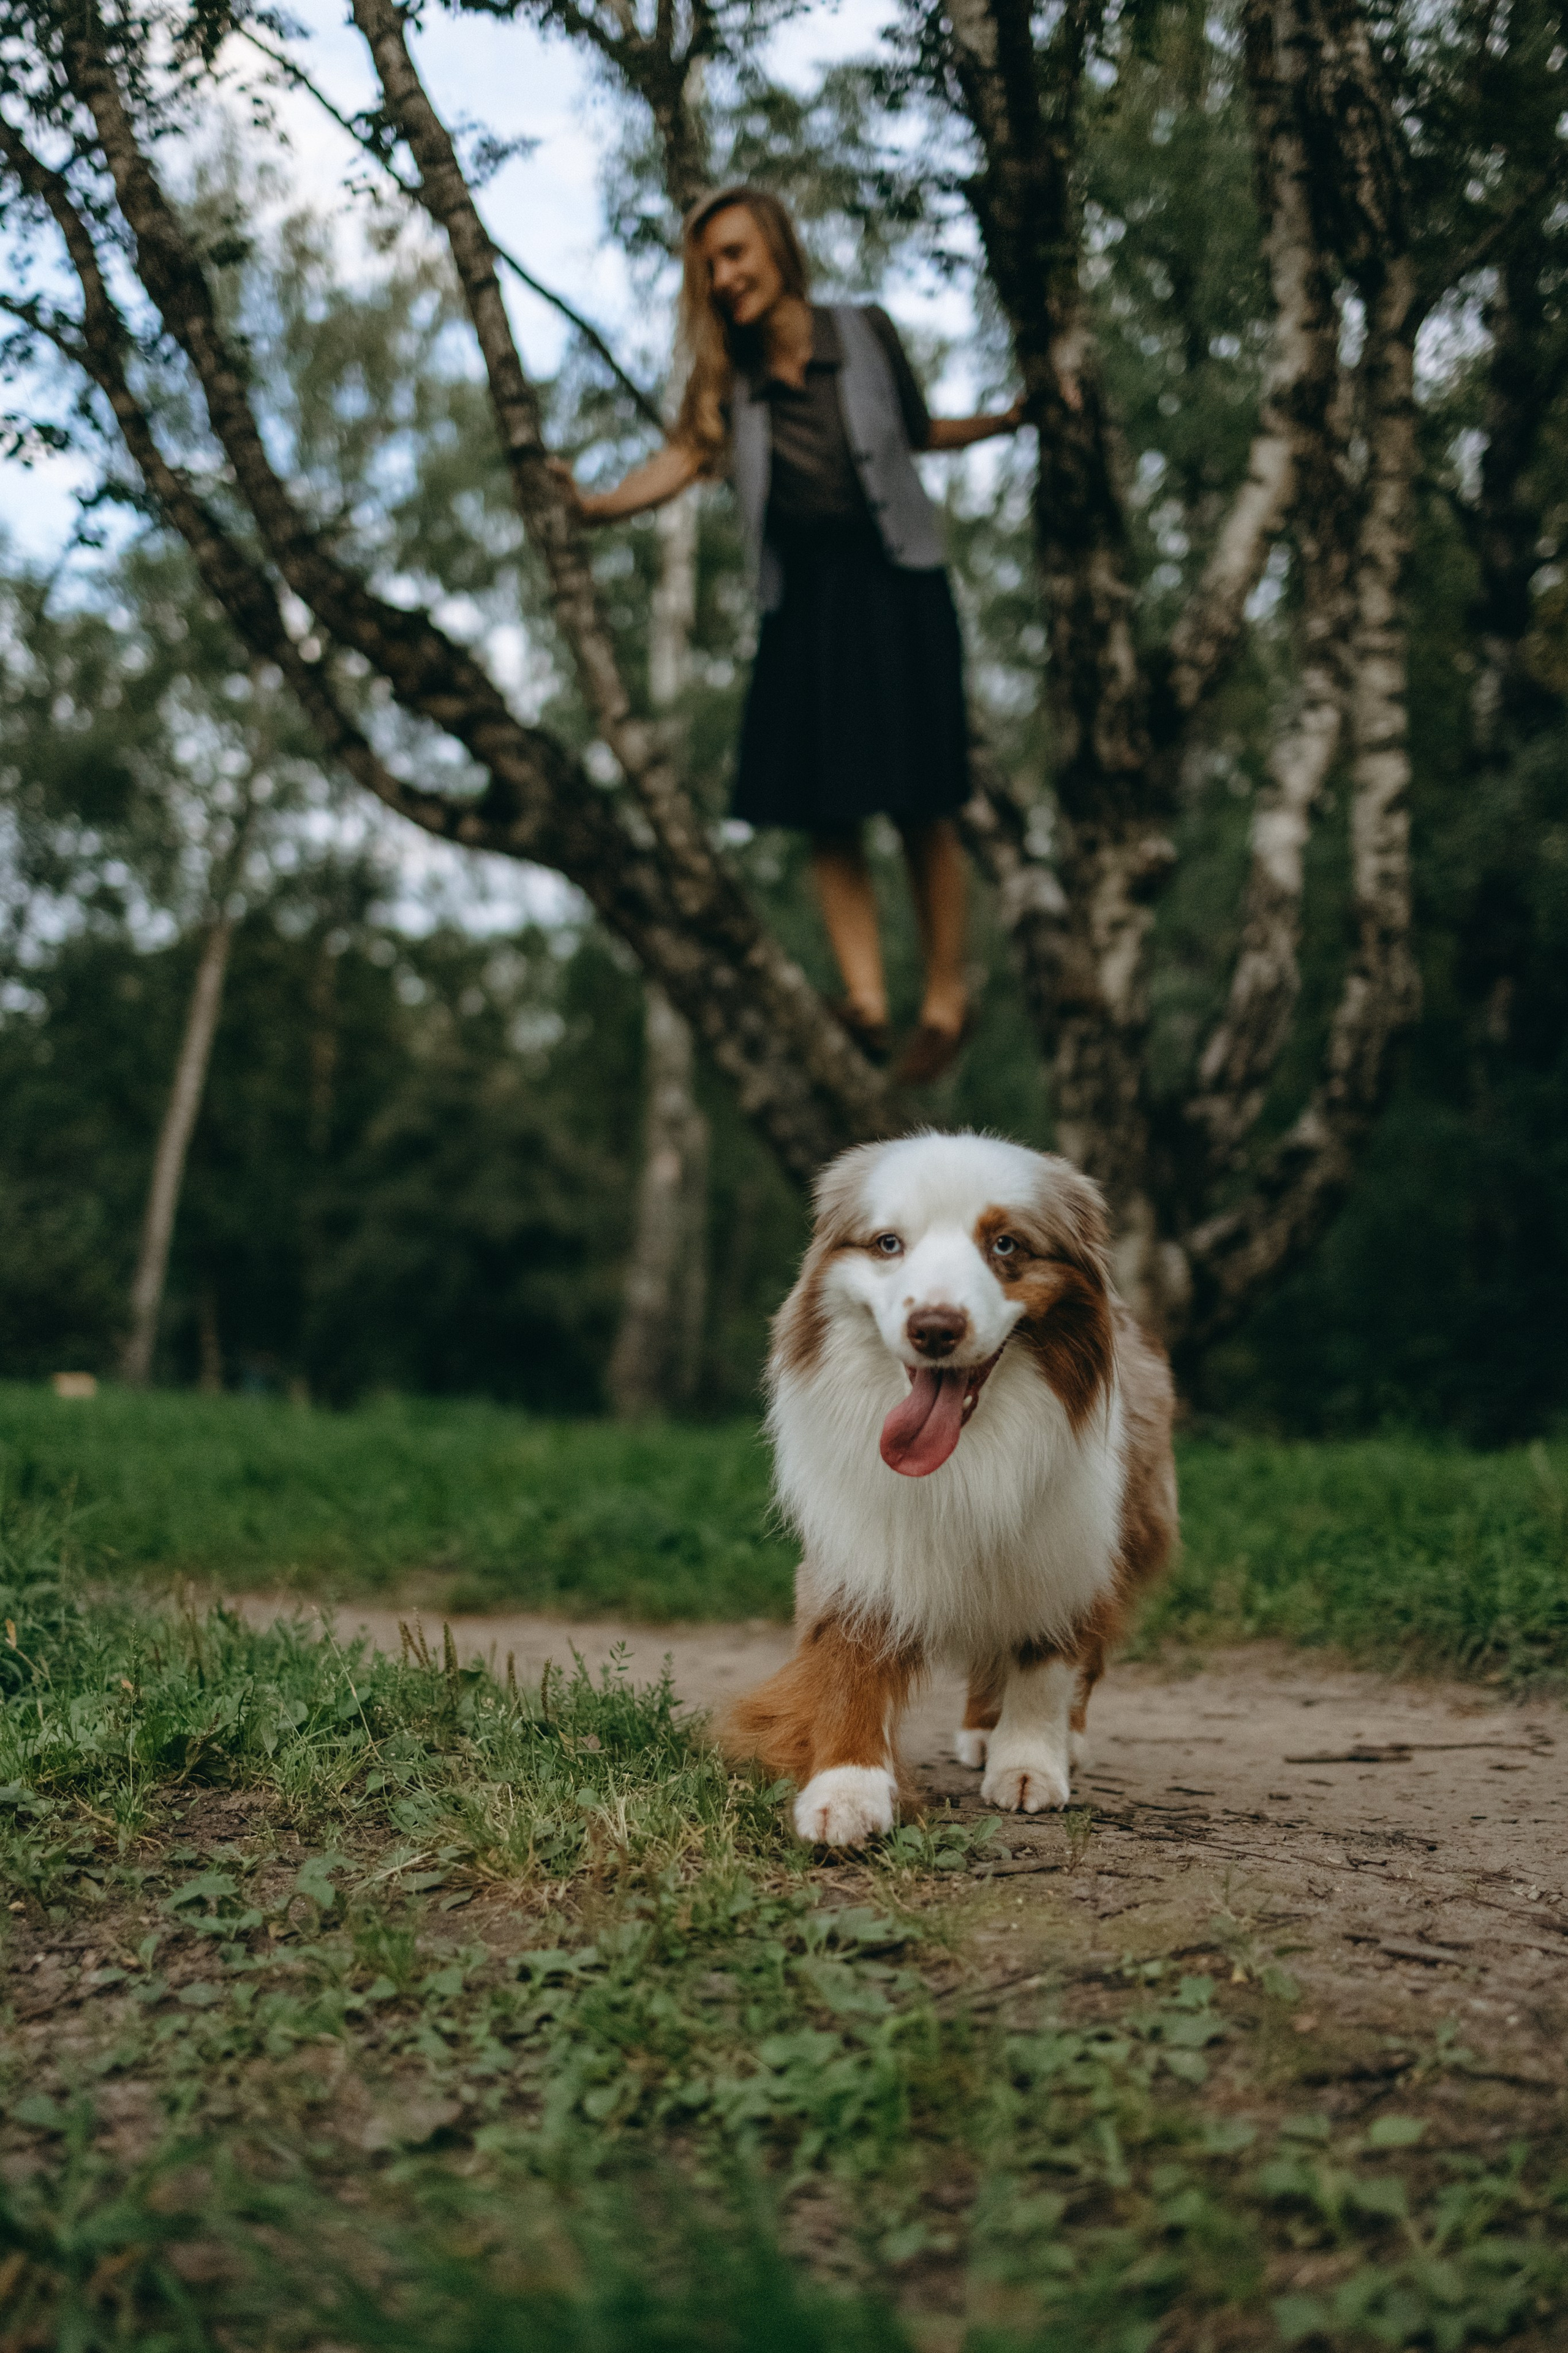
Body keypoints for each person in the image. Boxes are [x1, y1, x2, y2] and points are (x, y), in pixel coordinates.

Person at [557, 186, 1029, 1086]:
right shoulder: (727, 382)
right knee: (826, 807)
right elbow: (685, 459)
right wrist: (597, 505)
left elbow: (920, 432)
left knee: (923, 795)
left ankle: (944, 1001)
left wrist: (1007, 421)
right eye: (710, 270)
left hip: (897, 582)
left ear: (775, 244)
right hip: (804, 604)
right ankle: (864, 1002)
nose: (726, 278)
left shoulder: (865, 331)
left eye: (736, 254)